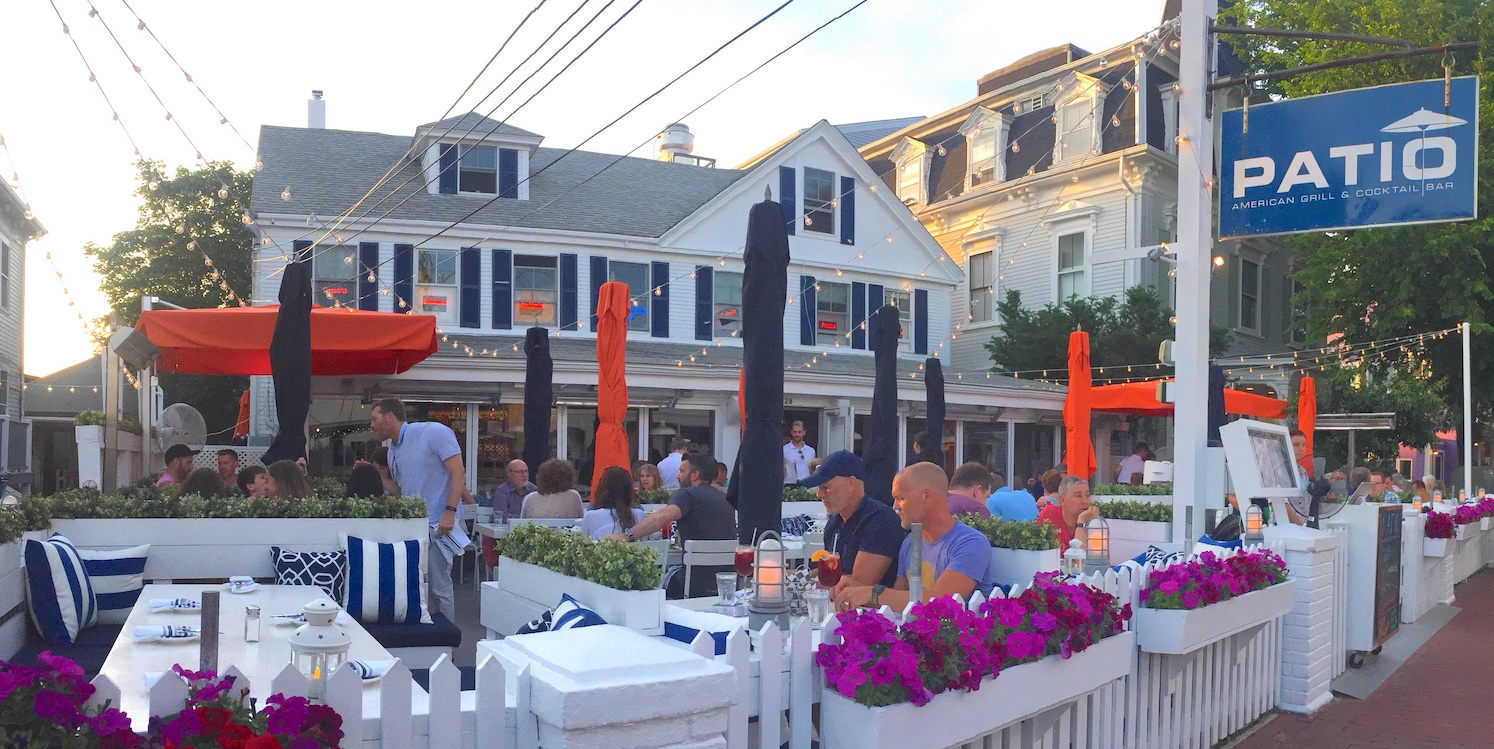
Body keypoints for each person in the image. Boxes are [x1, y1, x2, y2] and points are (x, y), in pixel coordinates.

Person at [831, 463, 994, 612]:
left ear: (925, 495)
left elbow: (941, 601)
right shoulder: (910, 542)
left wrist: (872, 593)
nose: (894, 506)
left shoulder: (971, 543)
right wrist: (855, 590)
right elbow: (899, 600)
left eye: (900, 498)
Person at [368, 397, 475, 622]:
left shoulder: (434, 432)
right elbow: (401, 491)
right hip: (415, 526)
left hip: (439, 525)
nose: (372, 425)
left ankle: (448, 644)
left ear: (389, 416)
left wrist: (449, 512)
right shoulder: (391, 451)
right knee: (415, 586)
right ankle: (429, 636)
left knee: (440, 587)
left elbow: (459, 473)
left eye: (375, 418)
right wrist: (374, 475)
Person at [607, 453, 736, 598]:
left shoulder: (687, 495)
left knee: (653, 580)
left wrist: (626, 535)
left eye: (681, 471)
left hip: (691, 585)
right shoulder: (727, 499)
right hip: (726, 585)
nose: (677, 476)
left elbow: (664, 516)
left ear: (694, 475)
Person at [801, 451, 904, 588]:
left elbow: (858, 584)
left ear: (850, 483)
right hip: (841, 607)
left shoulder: (880, 520)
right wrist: (794, 578)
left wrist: (801, 585)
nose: (819, 494)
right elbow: (831, 574)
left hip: (875, 608)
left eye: (826, 487)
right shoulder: (833, 523)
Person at [582, 466, 650, 540]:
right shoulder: (639, 514)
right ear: (628, 490)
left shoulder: (590, 516)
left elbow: (583, 546)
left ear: (602, 489)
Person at [1037, 476, 1101, 549]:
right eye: (1078, 496)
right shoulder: (1049, 515)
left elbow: (1080, 559)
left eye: (1087, 495)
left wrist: (1081, 522)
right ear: (1062, 500)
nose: (1085, 501)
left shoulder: (1094, 523)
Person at [521, 459, 585, 518]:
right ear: (568, 477)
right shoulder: (573, 496)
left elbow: (522, 522)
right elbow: (581, 519)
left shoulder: (530, 498)